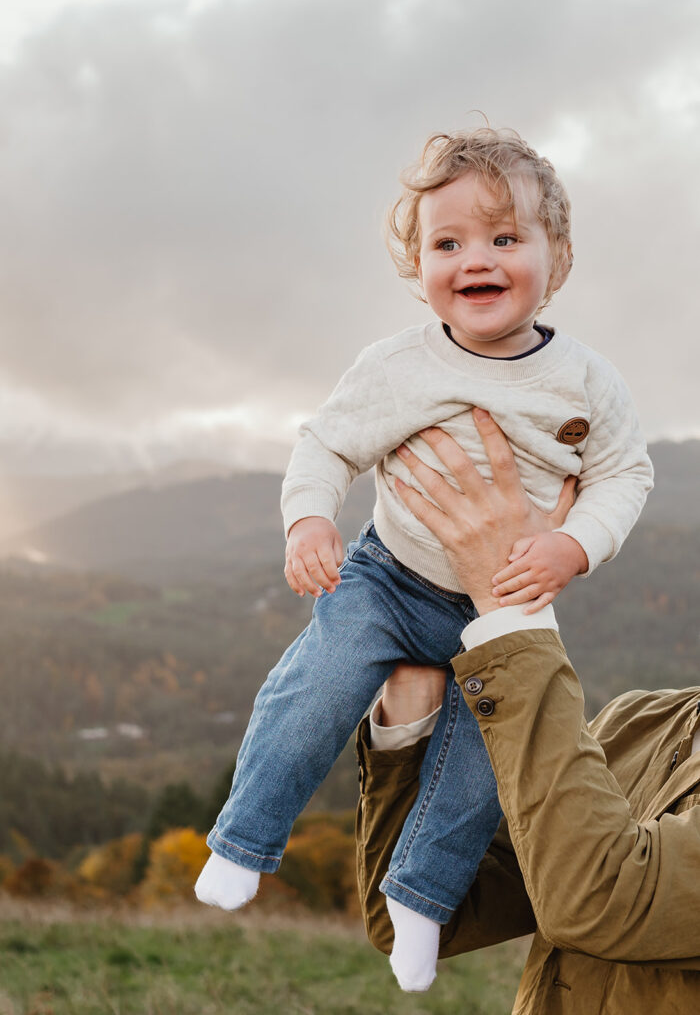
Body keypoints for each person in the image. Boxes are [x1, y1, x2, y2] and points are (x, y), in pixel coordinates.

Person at [195, 127, 653, 991]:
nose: (476, 258)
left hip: (504, 605)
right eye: (449, 243)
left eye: (505, 238)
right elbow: (326, 445)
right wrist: (308, 524)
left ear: (556, 260)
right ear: (419, 266)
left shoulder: (586, 382)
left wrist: (572, 544)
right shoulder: (399, 365)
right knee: (319, 683)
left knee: (486, 767)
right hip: (386, 578)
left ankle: (420, 900)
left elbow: (625, 473)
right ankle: (244, 839)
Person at [356, 414, 700, 1012]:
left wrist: (506, 611)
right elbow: (424, 915)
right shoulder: (638, 723)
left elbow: (600, 900)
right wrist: (410, 714)